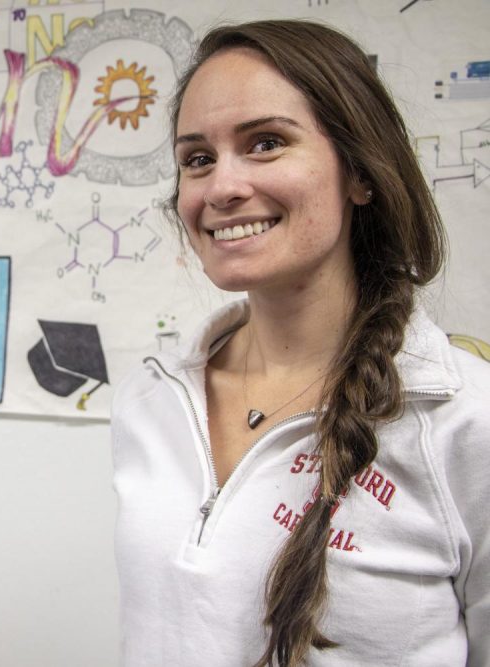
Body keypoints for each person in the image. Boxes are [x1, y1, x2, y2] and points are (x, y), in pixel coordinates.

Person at [111, 19, 490, 666]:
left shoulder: (463, 418)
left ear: (360, 173)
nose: (222, 187)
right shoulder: (151, 403)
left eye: (265, 143)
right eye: (197, 159)